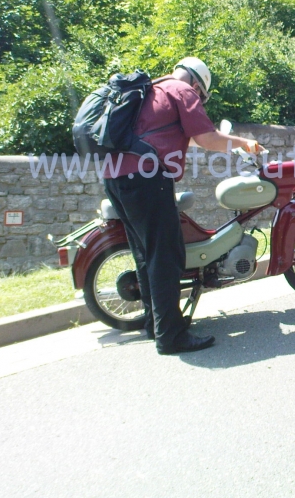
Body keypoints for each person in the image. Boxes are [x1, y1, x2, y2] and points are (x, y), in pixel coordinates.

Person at [102, 57, 262, 355]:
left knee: (146, 254)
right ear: (197, 85)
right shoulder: (181, 91)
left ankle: (157, 324)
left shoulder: (150, 89)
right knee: (165, 256)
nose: (199, 100)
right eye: (202, 96)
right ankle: (172, 337)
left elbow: (193, 139)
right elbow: (207, 138)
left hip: (115, 178)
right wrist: (245, 143)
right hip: (148, 178)